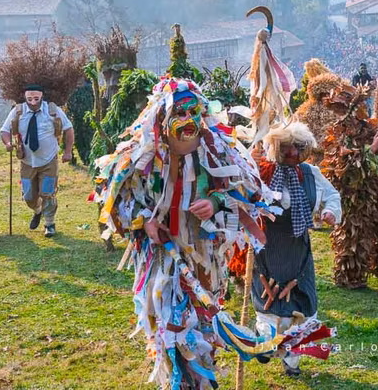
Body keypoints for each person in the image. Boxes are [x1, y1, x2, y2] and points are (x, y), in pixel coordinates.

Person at [92, 78, 335, 389]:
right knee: (169, 321)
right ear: (162, 119)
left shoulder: (216, 149)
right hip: (162, 256)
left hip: (203, 252)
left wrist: (215, 202)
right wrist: (145, 222)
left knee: (204, 319)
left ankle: (203, 377)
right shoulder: (144, 154)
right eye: (179, 113)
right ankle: (179, 380)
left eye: (193, 112)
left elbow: (243, 192)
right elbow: (115, 197)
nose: (187, 120)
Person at [251, 122, 341, 377]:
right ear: (275, 148)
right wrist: (250, 165)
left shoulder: (310, 173)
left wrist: (330, 212)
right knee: (268, 304)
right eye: (286, 149)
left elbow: (332, 196)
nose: (292, 154)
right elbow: (239, 195)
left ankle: (292, 360)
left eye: (298, 148)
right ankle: (266, 342)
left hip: (299, 252)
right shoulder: (261, 172)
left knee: (301, 305)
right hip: (266, 251)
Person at [320, 82, 378, 288]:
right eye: (358, 106)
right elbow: (346, 165)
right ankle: (351, 276)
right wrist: (372, 149)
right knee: (355, 235)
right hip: (354, 194)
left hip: (374, 190)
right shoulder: (340, 132)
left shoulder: (366, 127)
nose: (362, 109)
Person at [0, 85, 74, 238]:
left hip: (49, 161)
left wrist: (68, 152)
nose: (33, 102)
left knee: (47, 193)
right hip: (27, 162)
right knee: (28, 197)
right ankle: (37, 210)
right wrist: (8, 143)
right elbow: (5, 130)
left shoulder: (52, 110)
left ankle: (49, 224)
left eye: (36, 99)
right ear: (25, 98)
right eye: (29, 99)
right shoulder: (18, 111)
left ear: (41, 97)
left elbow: (69, 129)